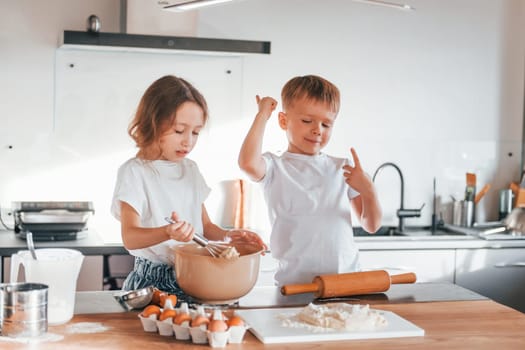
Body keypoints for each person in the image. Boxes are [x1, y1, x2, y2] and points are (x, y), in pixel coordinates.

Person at [111, 75, 266, 301]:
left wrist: (228, 237)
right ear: (153, 123)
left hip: (195, 277)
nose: (188, 142)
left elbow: (205, 227)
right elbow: (130, 237)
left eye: (195, 132)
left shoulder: (190, 170)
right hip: (153, 284)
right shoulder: (135, 172)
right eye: (179, 130)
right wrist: (167, 232)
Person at [238, 74, 382, 286]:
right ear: (283, 120)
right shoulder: (274, 167)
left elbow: (371, 225)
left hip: (345, 282)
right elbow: (247, 163)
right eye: (307, 121)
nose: (317, 130)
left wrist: (369, 191)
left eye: (326, 124)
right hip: (295, 285)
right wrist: (262, 115)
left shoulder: (342, 167)